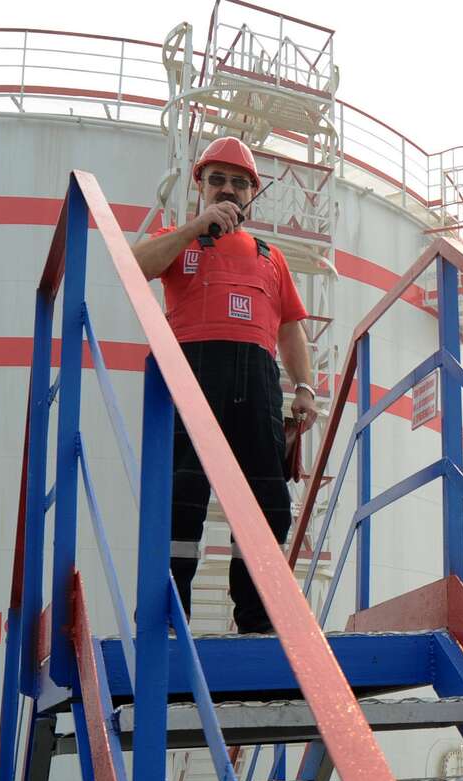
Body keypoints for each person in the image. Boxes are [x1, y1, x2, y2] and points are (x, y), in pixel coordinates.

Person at [131, 136, 320, 634]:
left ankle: (257, 620)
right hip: (193, 371)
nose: (228, 189)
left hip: (257, 381)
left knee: (269, 504)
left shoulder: (270, 256)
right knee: (181, 498)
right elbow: (136, 266)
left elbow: (290, 329)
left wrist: (305, 387)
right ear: (201, 186)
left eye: (239, 182)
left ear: (253, 192)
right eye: (217, 180)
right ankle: (167, 621)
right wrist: (196, 227)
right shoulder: (179, 240)